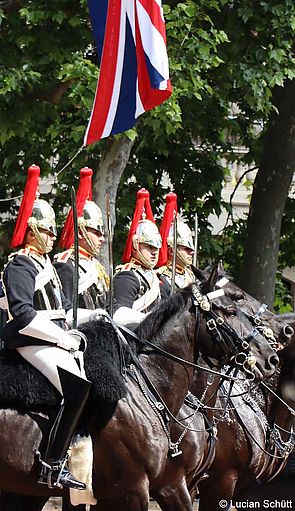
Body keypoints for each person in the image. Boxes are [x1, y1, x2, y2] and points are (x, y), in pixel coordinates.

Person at [0, 164, 91, 491]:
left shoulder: (46, 264)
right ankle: (52, 464)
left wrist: (77, 331)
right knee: (77, 387)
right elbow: (23, 313)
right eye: (47, 230)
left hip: (54, 339)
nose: (53, 236)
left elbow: (63, 307)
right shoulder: (20, 263)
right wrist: (61, 338)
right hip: (29, 340)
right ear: (32, 230)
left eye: (53, 231)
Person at [54, 167, 109, 316]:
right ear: (80, 232)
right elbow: (66, 310)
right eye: (97, 233)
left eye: (102, 233)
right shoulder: (66, 264)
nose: (102, 238)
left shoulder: (96, 266)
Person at [113, 188, 162, 326]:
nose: (154, 252)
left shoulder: (153, 276)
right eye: (149, 247)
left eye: (156, 248)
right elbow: (120, 316)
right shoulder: (127, 276)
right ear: (136, 244)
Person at [157, 192, 195, 299]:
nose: (191, 252)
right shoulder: (162, 277)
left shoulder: (190, 275)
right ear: (171, 251)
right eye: (186, 249)